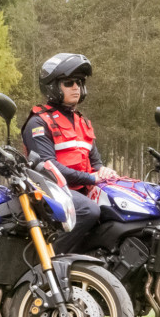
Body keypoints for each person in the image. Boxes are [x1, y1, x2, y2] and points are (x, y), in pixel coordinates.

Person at [21, 53, 117, 254]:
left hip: (80, 190)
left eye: (79, 82)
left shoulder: (82, 122)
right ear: (53, 87)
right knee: (88, 210)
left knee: (119, 204)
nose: (76, 87)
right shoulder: (38, 122)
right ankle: (47, 259)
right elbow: (48, 168)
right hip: (50, 191)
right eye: (69, 83)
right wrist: (91, 178)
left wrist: (104, 172)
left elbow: (96, 163)